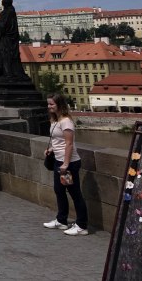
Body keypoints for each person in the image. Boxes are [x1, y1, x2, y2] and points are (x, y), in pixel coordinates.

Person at [44, 94, 88, 236]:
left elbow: (69, 144)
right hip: (59, 161)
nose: (49, 106)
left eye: (52, 104)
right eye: (48, 104)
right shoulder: (55, 120)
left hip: (69, 164)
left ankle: (82, 225)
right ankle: (61, 220)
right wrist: (51, 149)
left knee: (75, 193)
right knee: (59, 190)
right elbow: (59, 141)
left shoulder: (66, 121)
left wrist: (66, 164)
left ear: (60, 105)